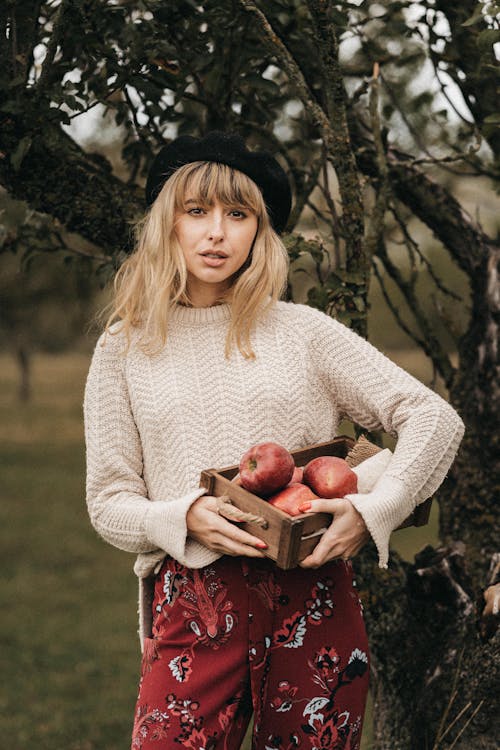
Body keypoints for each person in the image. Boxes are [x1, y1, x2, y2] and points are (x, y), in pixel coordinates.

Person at [83, 131, 464, 750]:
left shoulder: (303, 333)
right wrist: (184, 515)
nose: (216, 233)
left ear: (260, 233)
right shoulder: (126, 347)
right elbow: (108, 501)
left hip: (312, 595)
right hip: (195, 602)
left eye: (238, 216)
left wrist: (373, 512)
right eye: (196, 211)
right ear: (166, 225)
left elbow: (433, 417)